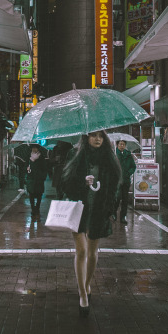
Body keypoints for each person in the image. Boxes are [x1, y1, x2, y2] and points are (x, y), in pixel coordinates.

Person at [61, 131, 121, 317]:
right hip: (78, 209)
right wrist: (82, 182)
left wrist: (111, 208)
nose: (98, 139)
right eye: (94, 135)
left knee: (93, 253)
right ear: (86, 137)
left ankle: (87, 285)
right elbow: (64, 183)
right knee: (82, 251)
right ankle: (82, 295)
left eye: (101, 136)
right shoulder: (75, 155)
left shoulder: (108, 158)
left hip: (98, 210)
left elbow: (114, 187)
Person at [113, 139, 137, 225]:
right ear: (117, 145)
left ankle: (123, 216)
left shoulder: (128, 154)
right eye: (120, 144)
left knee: (125, 199)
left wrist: (128, 173)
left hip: (126, 180)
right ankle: (114, 213)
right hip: (117, 180)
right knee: (117, 198)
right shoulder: (114, 154)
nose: (122, 146)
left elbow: (133, 166)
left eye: (123, 144)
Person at [25, 145, 47, 221]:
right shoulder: (28, 157)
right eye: (33, 147)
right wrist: (27, 168)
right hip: (31, 179)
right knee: (31, 195)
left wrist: (43, 177)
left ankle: (37, 208)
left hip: (39, 180)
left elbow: (45, 168)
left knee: (39, 195)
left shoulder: (41, 157)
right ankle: (33, 209)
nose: (34, 149)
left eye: (35, 148)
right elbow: (25, 167)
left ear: (38, 149)